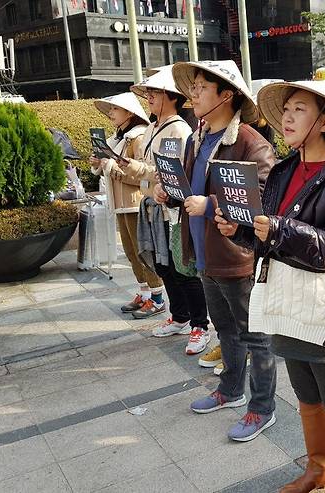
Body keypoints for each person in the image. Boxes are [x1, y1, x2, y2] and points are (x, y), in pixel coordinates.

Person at [216, 78, 325, 493]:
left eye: (299, 109)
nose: (287, 115)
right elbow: (268, 236)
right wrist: (242, 231)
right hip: (285, 302)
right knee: (306, 394)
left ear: (324, 121)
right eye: (286, 108)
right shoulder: (285, 170)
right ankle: (318, 469)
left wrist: (278, 229)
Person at [160, 60, 278, 441]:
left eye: (201, 88)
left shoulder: (250, 143)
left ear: (226, 95)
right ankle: (231, 390)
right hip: (206, 253)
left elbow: (261, 198)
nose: (192, 94)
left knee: (255, 335)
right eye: (191, 87)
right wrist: (174, 193)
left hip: (237, 257)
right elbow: (192, 187)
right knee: (224, 328)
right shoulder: (199, 135)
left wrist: (209, 206)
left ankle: (262, 408)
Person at [120, 68, 211, 356]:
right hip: (152, 208)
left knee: (182, 268)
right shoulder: (150, 128)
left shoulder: (179, 129)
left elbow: (172, 172)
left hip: (172, 211)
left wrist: (137, 170)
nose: (149, 98)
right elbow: (152, 171)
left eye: (154, 93)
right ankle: (180, 316)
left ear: (171, 97)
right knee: (163, 266)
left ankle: (200, 324)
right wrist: (130, 169)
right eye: (148, 93)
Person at [90, 93, 163, 316]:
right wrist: (98, 164)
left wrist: (110, 166)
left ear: (129, 112)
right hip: (120, 204)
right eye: (110, 109)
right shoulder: (117, 138)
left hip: (136, 204)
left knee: (143, 252)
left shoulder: (138, 137)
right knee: (131, 253)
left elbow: (144, 174)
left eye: (115, 109)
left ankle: (158, 298)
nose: (111, 113)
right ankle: (145, 293)